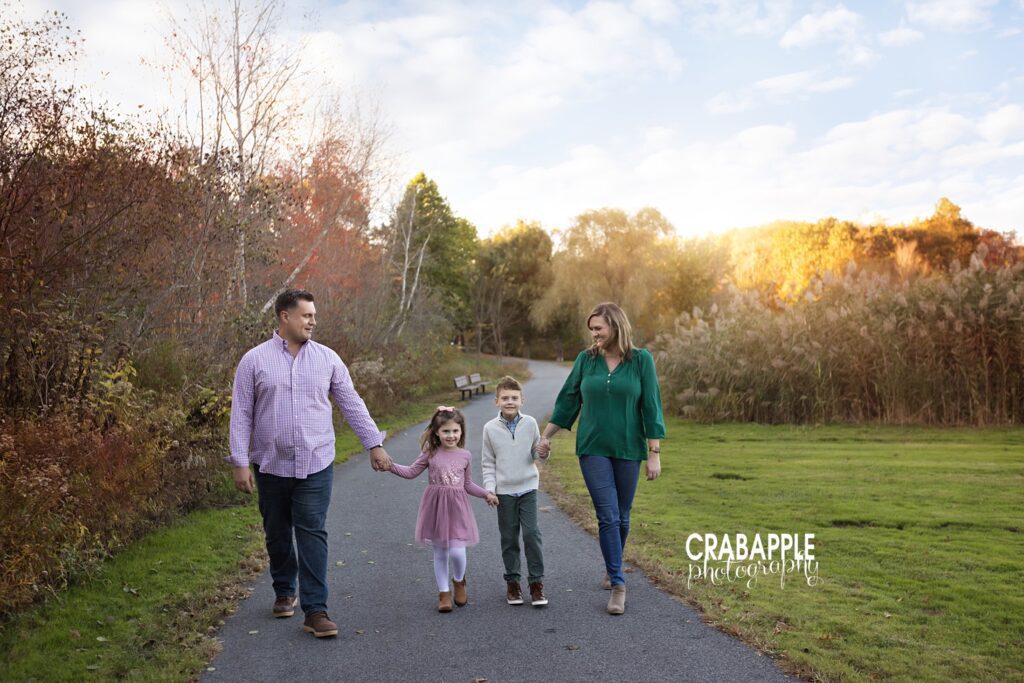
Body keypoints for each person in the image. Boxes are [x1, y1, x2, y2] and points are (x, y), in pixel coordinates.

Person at [228, 288, 393, 638]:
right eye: (306, 315)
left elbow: (351, 402)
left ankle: (316, 610)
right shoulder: (254, 361)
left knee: (311, 530)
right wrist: (240, 461)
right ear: (285, 317)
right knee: (276, 533)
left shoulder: (328, 359)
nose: (313, 321)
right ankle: (285, 588)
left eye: (314, 315)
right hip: (270, 465)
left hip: (316, 462)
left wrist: (373, 444)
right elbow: (241, 414)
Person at [538, 302, 665, 615]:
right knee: (607, 515)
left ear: (616, 327)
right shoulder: (586, 360)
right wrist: (545, 435)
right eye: (591, 329)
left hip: (628, 449)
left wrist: (654, 454)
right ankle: (619, 584)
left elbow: (651, 407)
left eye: (599, 329)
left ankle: (612, 567)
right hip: (593, 447)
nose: (594, 334)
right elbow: (569, 400)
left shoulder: (641, 361)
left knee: (622, 516)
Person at [388, 406, 499, 612]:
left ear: (461, 432)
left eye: (455, 431)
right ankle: (444, 593)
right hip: (436, 507)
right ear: (437, 431)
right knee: (440, 552)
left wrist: (486, 494)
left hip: (457, 508)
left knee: (457, 552)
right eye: (446, 431)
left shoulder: (465, 455)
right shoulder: (430, 452)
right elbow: (412, 472)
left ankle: (459, 581)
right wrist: (390, 466)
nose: (451, 435)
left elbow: (467, 484)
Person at [481, 376, 549, 607]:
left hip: (528, 487)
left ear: (522, 400)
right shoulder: (490, 429)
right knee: (509, 538)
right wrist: (490, 490)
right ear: (497, 401)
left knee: (531, 535)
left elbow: (536, 454)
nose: (510, 401)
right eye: (505, 398)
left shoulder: (530, 423)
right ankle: (513, 583)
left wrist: (543, 452)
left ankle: (536, 583)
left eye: (514, 398)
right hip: (504, 492)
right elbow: (488, 462)